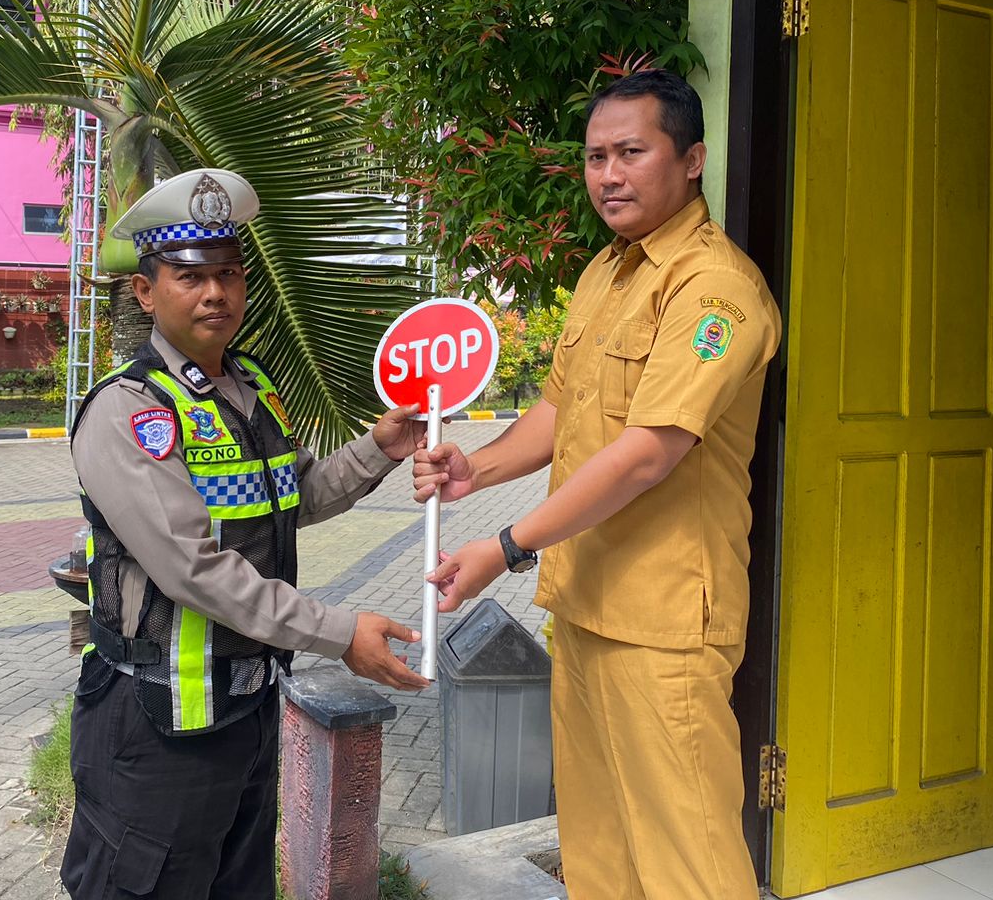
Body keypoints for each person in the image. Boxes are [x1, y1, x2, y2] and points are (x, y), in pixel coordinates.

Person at [413, 69, 782, 900]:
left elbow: (649, 451)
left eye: (631, 152)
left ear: (691, 160)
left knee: (690, 864)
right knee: (600, 855)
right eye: (594, 157)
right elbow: (560, 408)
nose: (608, 175)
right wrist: (477, 469)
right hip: (585, 603)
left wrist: (506, 547)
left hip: (663, 623)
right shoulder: (606, 275)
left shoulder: (714, 288)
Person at [62, 168, 427, 900]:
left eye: (228, 274)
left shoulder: (250, 387)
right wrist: (339, 633)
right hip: (156, 724)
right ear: (145, 291)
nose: (215, 293)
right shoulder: (129, 411)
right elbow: (192, 569)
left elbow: (292, 498)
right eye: (190, 276)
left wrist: (379, 449)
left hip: (247, 709)